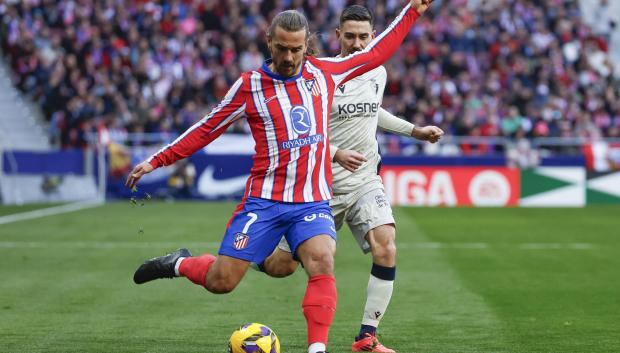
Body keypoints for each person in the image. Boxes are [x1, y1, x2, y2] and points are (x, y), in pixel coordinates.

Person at [125, 2, 434, 353]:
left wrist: (413, 9)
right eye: (282, 48)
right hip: (266, 201)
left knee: (322, 260)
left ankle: (318, 349)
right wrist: (157, 159)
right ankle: (179, 263)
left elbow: (378, 51)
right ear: (268, 41)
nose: (289, 57)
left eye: (297, 49)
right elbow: (207, 128)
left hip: (312, 200)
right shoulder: (250, 86)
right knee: (224, 281)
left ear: (308, 45)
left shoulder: (324, 73)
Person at [253, 5, 444, 353]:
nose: (358, 44)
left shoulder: (377, 73)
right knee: (281, 267)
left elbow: (374, 110)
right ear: (338, 36)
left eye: (364, 37)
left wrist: (413, 130)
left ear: (373, 38)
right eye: (351, 36)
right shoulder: (317, 77)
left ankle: (366, 337)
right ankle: (252, 257)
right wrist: (335, 152)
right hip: (319, 186)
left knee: (386, 244)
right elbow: (302, 130)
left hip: (364, 181)